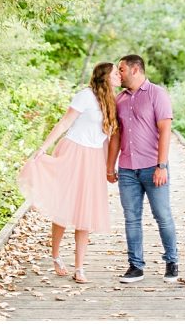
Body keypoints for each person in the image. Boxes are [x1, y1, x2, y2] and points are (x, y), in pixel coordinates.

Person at [17, 62, 122, 284]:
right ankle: (55, 255)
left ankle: (80, 267)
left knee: (86, 212)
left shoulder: (113, 101)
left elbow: (108, 137)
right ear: (105, 77)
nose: (119, 76)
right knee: (65, 208)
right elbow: (65, 122)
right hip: (73, 152)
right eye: (115, 73)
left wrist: (109, 165)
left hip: (94, 158)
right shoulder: (85, 96)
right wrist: (43, 147)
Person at [106, 54, 179, 283]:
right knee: (131, 218)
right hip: (127, 169)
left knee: (163, 216)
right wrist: (110, 167)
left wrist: (162, 166)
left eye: (122, 70)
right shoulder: (120, 99)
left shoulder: (158, 94)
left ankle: (171, 261)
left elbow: (165, 130)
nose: (119, 74)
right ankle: (135, 266)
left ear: (135, 69)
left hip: (152, 168)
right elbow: (116, 135)